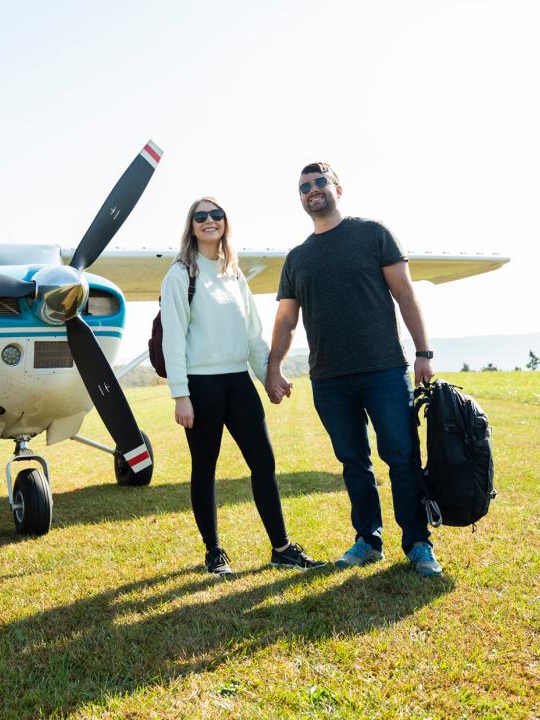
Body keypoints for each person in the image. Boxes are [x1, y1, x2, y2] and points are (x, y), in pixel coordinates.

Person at [265, 163, 444, 577]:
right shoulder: (297, 258)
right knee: (353, 461)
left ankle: (418, 543)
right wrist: (274, 367)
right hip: (328, 378)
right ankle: (368, 540)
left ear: (337, 189)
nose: (312, 191)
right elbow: (286, 320)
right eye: (304, 187)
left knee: (401, 456)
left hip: (383, 369)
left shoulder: (373, 234)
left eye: (319, 183)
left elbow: (404, 293)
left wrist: (423, 352)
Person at [161, 197, 325, 576]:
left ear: (225, 222)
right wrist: (180, 395)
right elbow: (173, 339)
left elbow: (252, 333)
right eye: (200, 216)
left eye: (215, 215)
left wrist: (269, 374)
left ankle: (282, 549)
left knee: (263, 462)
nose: (209, 221)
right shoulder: (180, 275)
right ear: (191, 226)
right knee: (205, 468)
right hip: (201, 387)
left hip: (238, 382)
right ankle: (214, 552)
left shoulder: (233, 273)